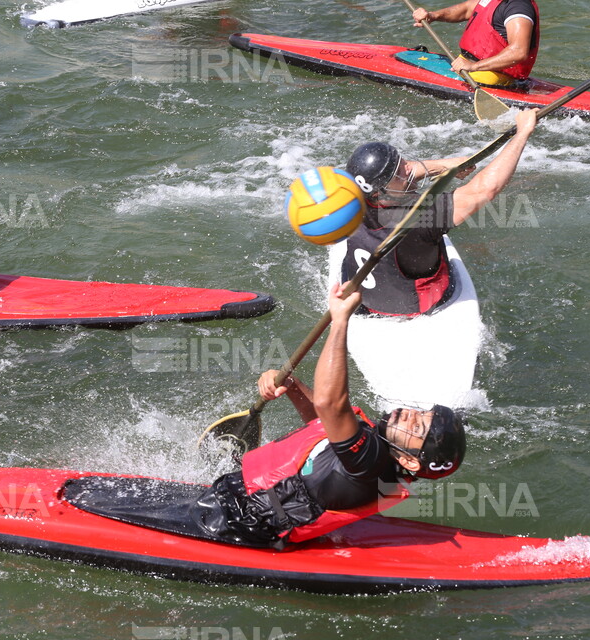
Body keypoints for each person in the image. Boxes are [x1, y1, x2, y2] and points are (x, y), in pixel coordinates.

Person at [186, 282, 466, 548]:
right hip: (236, 499)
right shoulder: (377, 457)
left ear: (409, 461)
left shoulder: (372, 465)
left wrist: (341, 319)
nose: (411, 416)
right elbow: (321, 424)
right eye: (421, 413)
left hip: (237, 522)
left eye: (418, 429)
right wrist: (291, 385)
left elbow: (328, 404)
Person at [342, 107, 537, 316]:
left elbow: (397, 177)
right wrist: (522, 133)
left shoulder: (350, 199)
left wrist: (447, 165)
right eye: (401, 169)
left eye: (402, 162)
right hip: (416, 307)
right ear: (381, 191)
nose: (408, 167)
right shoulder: (420, 218)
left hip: (361, 300)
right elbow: (485, 189)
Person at [412, 0, 540, 86]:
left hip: (492, 75)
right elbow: (467, 9)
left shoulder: (518, 7)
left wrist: (473, 67)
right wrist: (433, 15)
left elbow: (518, 51)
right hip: (466, 65)